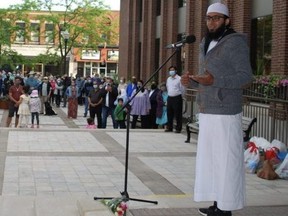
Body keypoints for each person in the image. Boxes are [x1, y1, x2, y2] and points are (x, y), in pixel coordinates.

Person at [181, 3, 253, 216]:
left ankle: (226, 207)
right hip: (208, 109)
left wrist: (215, 80)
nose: (211, 22)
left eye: (217, 18)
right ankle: (216, 202)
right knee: (211, 161)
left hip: (226, 111)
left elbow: (246, 77)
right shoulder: (205, 42)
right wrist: (192, 81)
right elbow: (208, 80)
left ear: (227, 20)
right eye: (209, 18)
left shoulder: (235, 43)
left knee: (226, 162)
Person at [166, 66, 185, 133]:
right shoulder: (168, 79)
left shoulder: (179, 78)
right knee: (169, 113)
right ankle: (169, 127)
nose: (171, 71)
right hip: (170, 97)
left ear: (176, 71)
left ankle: (178, 128)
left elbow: (182, 89)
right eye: (170, 70)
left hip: (177, 97)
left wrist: (180, 96)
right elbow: (168, 87)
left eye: (173, 70)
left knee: (178, 113)